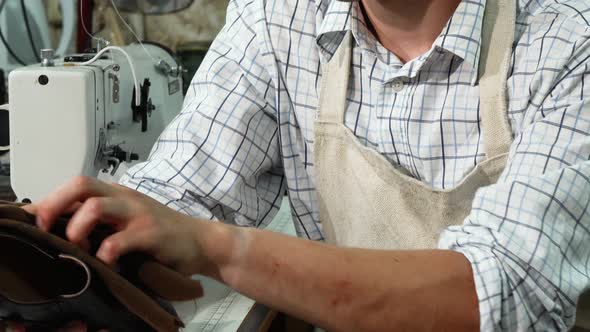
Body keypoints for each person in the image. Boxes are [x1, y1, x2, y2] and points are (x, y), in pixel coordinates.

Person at [9, 0, 590, 330]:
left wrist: (222, 248)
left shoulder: (567, 38)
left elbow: (506, 295)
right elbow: (180, 193)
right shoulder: (278, 19)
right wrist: (53, 250)